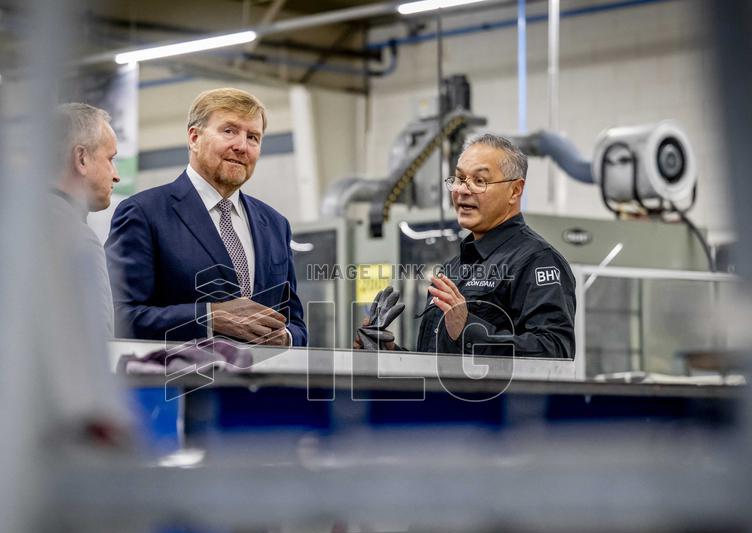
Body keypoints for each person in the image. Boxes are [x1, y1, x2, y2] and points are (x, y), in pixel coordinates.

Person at [105, 87, 307, 346]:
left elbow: (296, 323)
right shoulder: (144, 214)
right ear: (194, 138)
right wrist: (209, 317)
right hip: (183, 383)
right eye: (229, 131)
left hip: (264, 383)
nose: (242, 146)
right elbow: (119, 316)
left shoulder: (276, 225)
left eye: (253, 137)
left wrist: (287, 338)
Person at [358, 133, 576, 358]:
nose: (462, 190)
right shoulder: (453, 268)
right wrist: (391, 354)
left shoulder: (537, 260)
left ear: (515, 191)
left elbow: (555, 352)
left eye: (479, 181)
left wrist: (468, 329)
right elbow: (439, 364)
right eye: (459, 179)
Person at [51, 102, 120, 336]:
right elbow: (97, 341)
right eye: (110, 159)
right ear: (81, 158)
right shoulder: (77, 238)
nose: (116, 175)